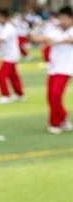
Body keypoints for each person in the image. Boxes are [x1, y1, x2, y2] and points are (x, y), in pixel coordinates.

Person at [31, 6, 73, 134]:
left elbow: (70, 40)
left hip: (66, 68)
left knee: (56, 95)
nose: (62, 21)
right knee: (50, 97)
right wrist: (34, 29)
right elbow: (37, 39)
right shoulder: (55, 30)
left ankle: (55, 123)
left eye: (65, 18)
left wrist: (56, 41)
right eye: (60, 18)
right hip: (53, 68)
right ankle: (64, 117)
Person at [0, 10, 24, 104]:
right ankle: (19, 94)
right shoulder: (1, 27)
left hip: (10, 56)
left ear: (4, 18)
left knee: (0, 74)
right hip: (7, 54)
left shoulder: (9, 28)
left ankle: (5, 96)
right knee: (13, 76)